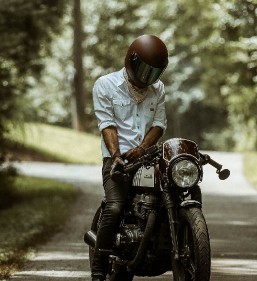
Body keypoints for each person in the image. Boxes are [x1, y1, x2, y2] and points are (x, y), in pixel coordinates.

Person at [90, 34, 169, 281]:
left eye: (154, 73)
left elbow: (159, 124)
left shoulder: (159, 89)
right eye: (144, 70)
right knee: (114, 206)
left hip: (147, 159)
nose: (147, 78)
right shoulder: (105, 85)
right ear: (131, 61)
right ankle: (98, 269)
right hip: (118, 161)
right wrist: (116, 156)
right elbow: (107, 124)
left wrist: (143, 149)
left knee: (172, 196)